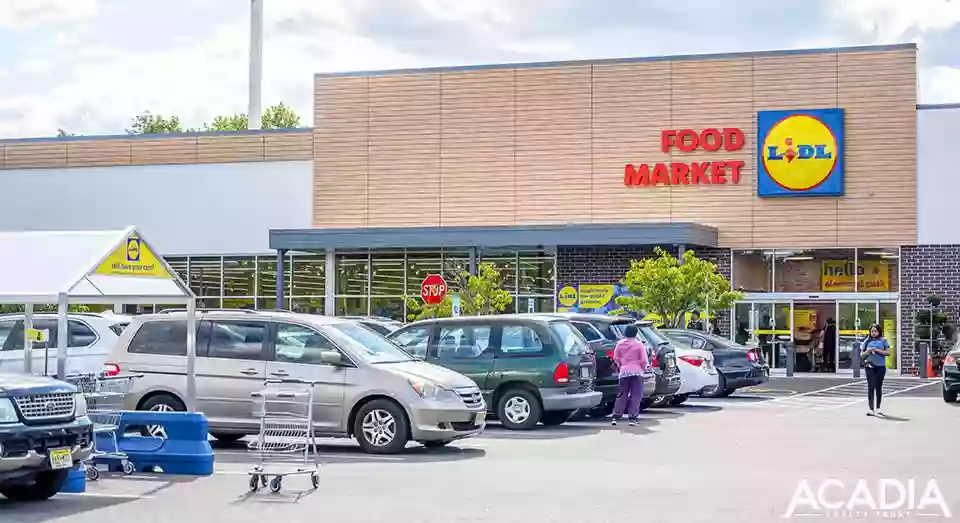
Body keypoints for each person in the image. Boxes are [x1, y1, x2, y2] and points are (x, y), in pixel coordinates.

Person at [611, 324, 651, 427]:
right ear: (636, 333)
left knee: (622, 394)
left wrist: (621, 365)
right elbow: (644, 360)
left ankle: (616, 416)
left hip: (624, 372)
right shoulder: (639, 345)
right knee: (636, 395)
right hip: (637, 372)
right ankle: (632, 417)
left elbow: (616, 357)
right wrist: (644, 368)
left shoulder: (620, 344)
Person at [861, 323, 891, 417]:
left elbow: (888, 353)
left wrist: (876, 350)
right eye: (872, 331)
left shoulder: (883, 341)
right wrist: (868, 351)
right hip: (869, 366)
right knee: (871, 386)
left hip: (880, 367)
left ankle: (878, 408)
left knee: (878, 387)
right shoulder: (867, 341)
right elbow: (862, 355)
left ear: (879, 332)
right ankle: (870, 408)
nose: (873, 333)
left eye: (875, 331)